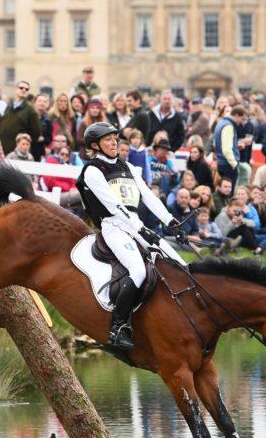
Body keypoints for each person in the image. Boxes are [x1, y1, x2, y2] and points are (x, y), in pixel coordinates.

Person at [74, 122, 187, 351]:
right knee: (138, 270)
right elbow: (114, 206)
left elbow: (149, 197)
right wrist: (139, 227)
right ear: (95, 146)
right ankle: (117, 328)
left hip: (135, 224)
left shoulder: (129, 168)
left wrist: (170, 221)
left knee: (181, 264)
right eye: (108, 140)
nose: (114, 142)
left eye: (115, 138)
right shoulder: (93, 171)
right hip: (113, 226)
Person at [213, 105, 249, 187]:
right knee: (229, 192)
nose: (241, 122)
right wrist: (234, 164)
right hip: (228, 165)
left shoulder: (221, 123)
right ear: (236, 115)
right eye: (242, 119)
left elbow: (216, 144)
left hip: (221, 163)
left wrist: (235, 146)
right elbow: (226, 149)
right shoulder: (228, 126)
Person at [0, 81, 39, 154]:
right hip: (3, 148)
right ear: (16, 90)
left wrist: (24, 144)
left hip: (18, 151)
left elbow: (36, 133)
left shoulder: (30, 110)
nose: (24, 90)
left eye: (26, 89)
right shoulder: (9, 106)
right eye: (21, 88)